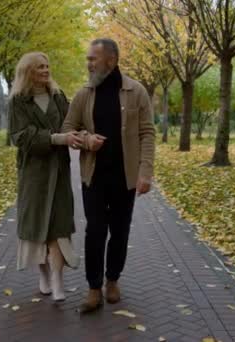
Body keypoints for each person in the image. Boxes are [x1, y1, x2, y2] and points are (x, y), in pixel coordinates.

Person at [62, 38, 155, 313]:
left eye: (93, 59)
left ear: (111, 61)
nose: (88, 63)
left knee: (120, 231)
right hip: (94, 176)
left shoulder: (136, 91)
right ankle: (93, 288)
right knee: (95, 231)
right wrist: (86, 139)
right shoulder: (83, 94)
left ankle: (112, 280)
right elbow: (68, 128)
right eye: (88, 58)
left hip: (124, 177)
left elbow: (147, 133)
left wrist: (145, 172)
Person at [9, 52, 83, 301]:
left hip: (59, 171)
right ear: (28, 71)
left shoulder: (58, 96)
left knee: (59, 228)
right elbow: (19, 136)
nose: (46, 70)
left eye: (47, 66)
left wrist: (79, 136)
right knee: (35, 228)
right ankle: (43, 275)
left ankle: (57, 279)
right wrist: (54, 139)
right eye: (40, 67)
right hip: (33, 174)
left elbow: (71, 122)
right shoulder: (18, 101)